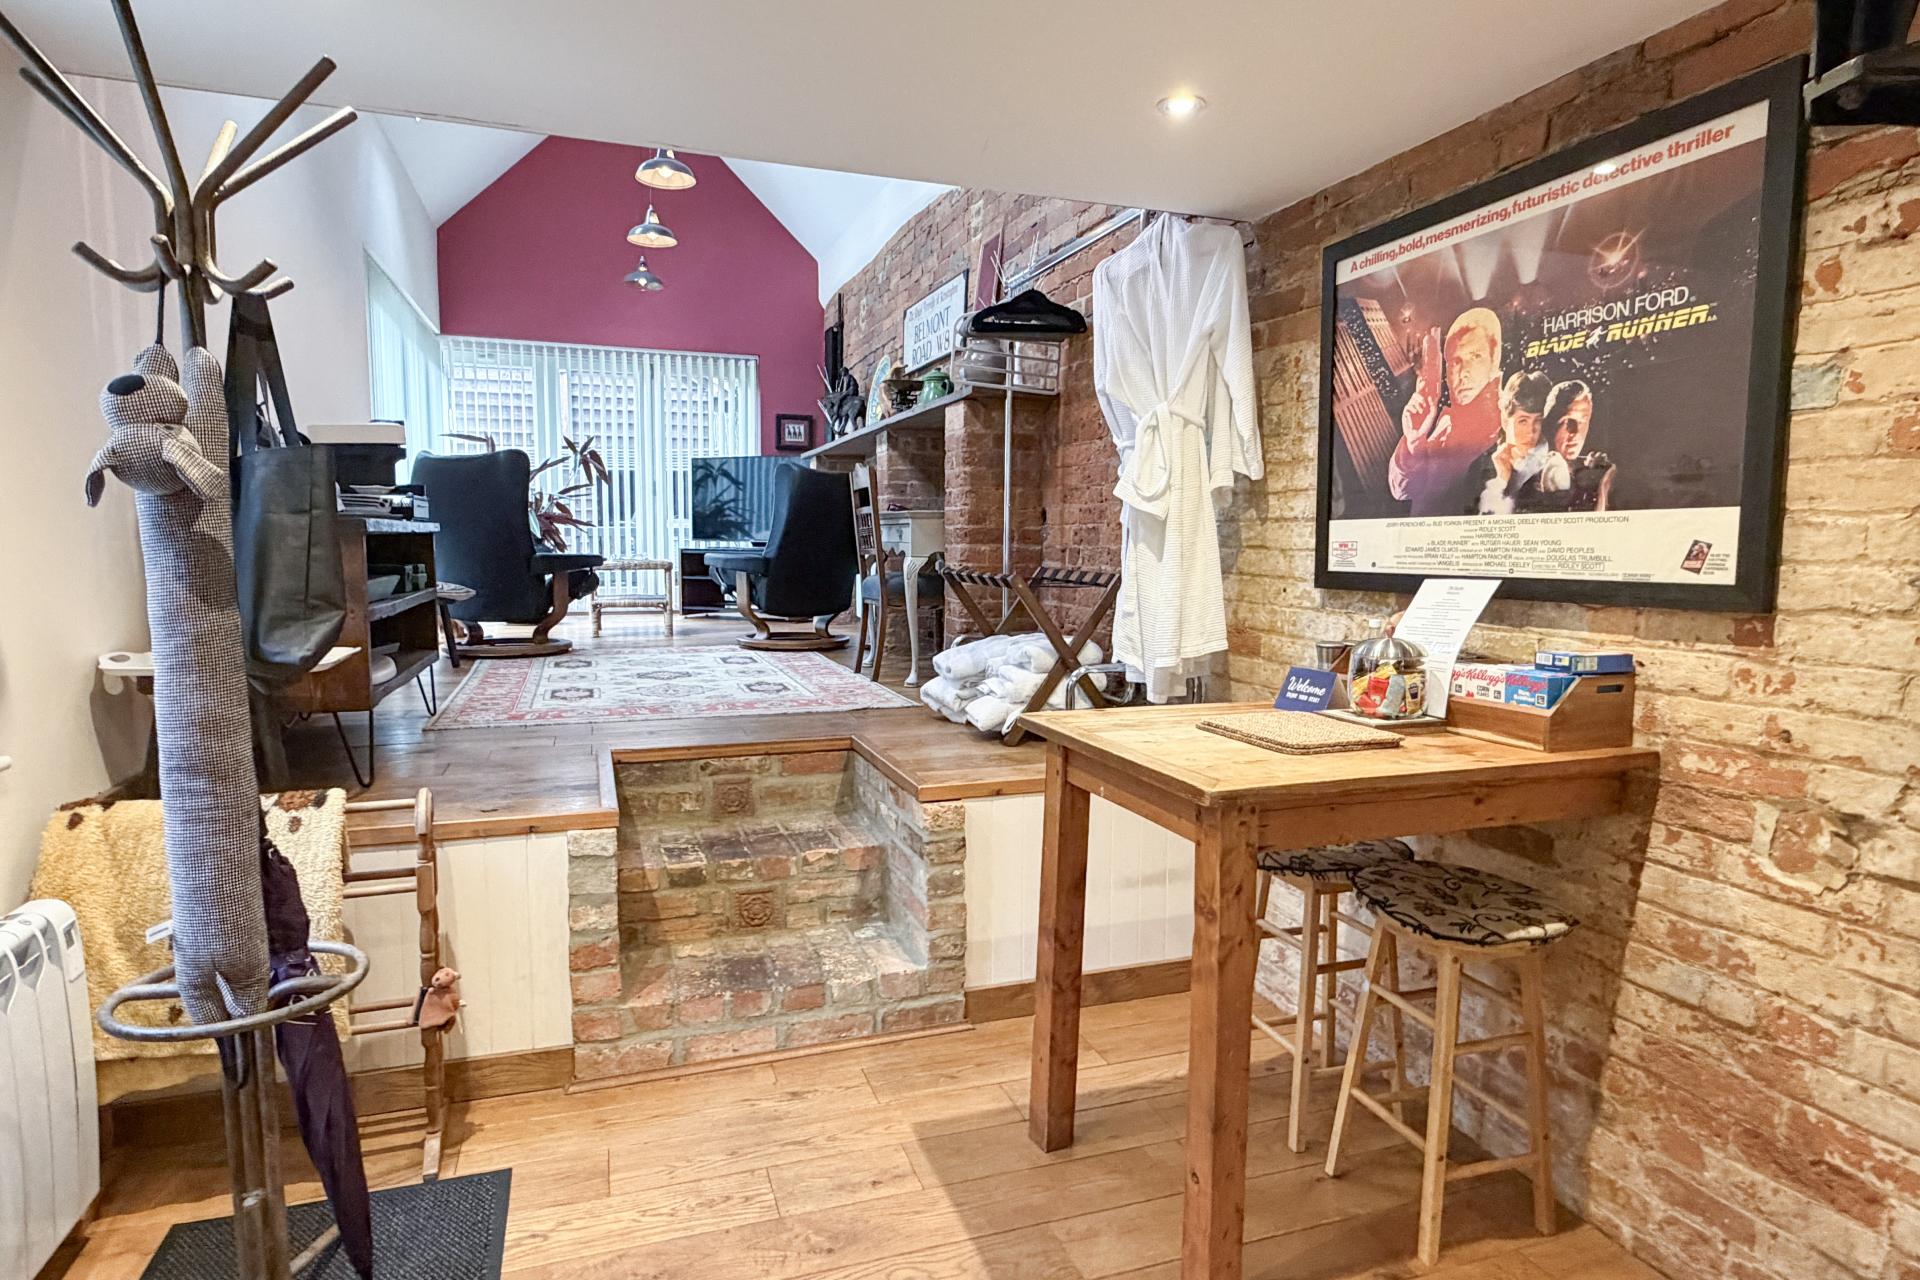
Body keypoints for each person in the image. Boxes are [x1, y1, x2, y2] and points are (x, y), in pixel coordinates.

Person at [1388, 308, 1504, 516]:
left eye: (1475, 356)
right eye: (1455, 362)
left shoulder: (1508, 425)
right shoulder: (1445, 422)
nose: (1463, 373)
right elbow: (1401, 491)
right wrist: (1414, 443)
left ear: (1494, 361)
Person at [1468, 370, 1562, 515]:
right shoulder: (1478, 467)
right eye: (1523, 421)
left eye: (1538, 420)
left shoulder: (1557, 463)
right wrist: (1500, 482)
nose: (1531, 431)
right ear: (1505, 421)